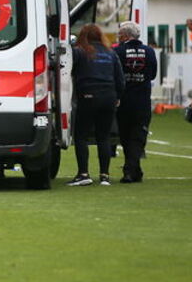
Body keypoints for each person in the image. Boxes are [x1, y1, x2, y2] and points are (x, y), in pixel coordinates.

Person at [67, 24, 125, 187]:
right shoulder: (110, 53)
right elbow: (120, 78)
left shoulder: (79, 51)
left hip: (88, 96)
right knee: (103, 137)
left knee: (81, 135)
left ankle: (83, 173)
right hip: (109, 97)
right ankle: (104, 176)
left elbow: (68, 71)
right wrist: (118, 96)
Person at [113, 21, 158, 183]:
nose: (118, 38)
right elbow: (152, 75)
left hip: (123, 102)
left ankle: (130, 171)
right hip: (142, 101)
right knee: (138, 136)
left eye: (119, 35)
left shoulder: (117, 51)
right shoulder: (149, 51)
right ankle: (133, 169)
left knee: (125, 136)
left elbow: (114, 75)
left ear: (125, 36)